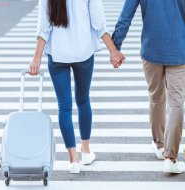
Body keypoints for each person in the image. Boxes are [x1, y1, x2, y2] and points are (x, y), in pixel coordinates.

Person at [111, 0, 185, 173]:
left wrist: (115, 47)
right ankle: (170, 157)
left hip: (151, 51)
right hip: (180, 51)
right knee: (176, 103)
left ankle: (159, 144)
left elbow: (125, 17)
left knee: (156, 98)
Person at [29, 0, 125, 174]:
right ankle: (86, 151)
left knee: (64, 107)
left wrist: (36, 58)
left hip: (57, 56)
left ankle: (73, 159)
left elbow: (44, 28)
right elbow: (99, 24)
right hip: (83, 54)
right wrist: (113, 51)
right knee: (82, 100)